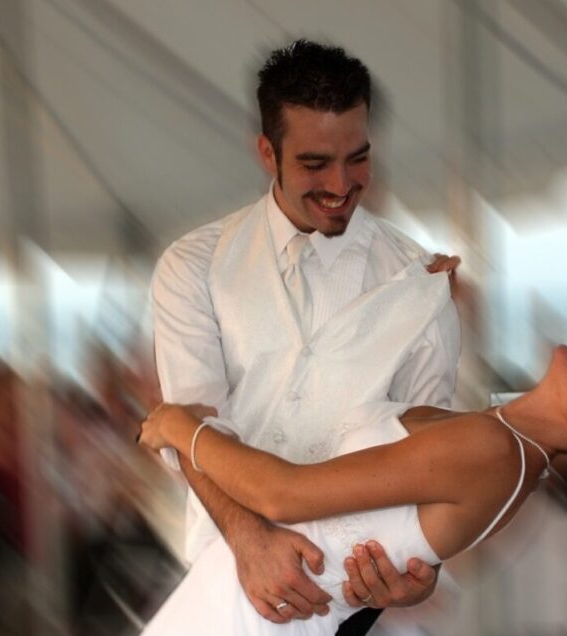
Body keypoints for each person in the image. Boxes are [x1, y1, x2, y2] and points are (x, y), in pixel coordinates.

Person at [150, 39, 460, 632]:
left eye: (358, 158)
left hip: (349, 598)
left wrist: (424, 575)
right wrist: (248, 539)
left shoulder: (419, 283)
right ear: (267, 152)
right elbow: (192, 429)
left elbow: (432, 456)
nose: (341, 184)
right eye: (315, 164)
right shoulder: (193, 266)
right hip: (223, 579)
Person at [137, 336, 567, 635]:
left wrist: (179, 427)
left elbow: (283, 495)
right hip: (242, 603)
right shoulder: (505, 448)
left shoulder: (494, 453)